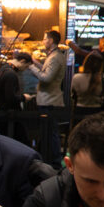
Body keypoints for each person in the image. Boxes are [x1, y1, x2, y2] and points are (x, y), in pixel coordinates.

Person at [33, 29, 72, 163]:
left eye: (44, 39)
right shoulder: (54, 55)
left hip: (49, 101)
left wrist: (31, 67)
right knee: (48, 133)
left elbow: (46, 78)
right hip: (48, 100)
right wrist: (34, 62)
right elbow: (46, 70)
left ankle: (54, 162)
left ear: (50, 40)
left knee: (50, 133)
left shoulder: (55, 57)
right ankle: (49, 160)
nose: (43, 41)